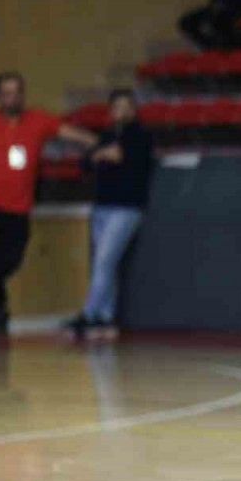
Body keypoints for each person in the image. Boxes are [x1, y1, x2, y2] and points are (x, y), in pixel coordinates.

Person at [0, 72, 99, 340]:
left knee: (10, 263)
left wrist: (98, 142)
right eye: (6, 93)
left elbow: (68, 133)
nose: (12, 98)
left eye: (16, 92)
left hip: (19, 209)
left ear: (23, 94)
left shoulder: (38, 120)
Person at [65, 90, 156, 341]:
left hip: (126, 207)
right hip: (103, 205)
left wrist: (105, 155)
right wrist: (102, 154)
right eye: (117, 106)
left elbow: (128, 161)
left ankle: (90, 313)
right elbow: (86, 163)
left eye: (126, 106)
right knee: (106, 261)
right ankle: (105, 314)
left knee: (104, 259)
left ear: (134, 109)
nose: (121, 111)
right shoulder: (106, 136)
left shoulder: (141, 136)